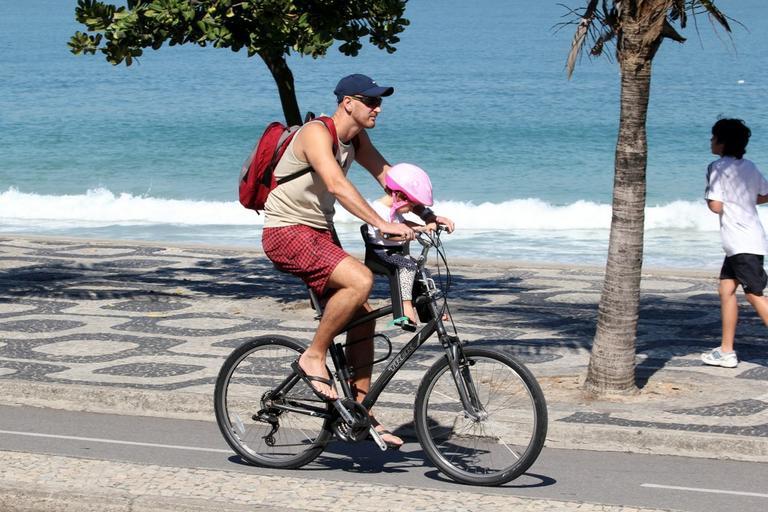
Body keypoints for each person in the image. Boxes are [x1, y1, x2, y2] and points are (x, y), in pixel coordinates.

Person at [261, 74, 455, 447]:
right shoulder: (316, 133)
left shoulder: (356, 138)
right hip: (286, 230)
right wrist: (381, 222)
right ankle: (313, 357)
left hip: (318, 232)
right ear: (348, 102)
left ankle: (361, 412)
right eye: (370, 101)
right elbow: (337, 184)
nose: (377, 108)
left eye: (378, 101)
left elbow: (389, 178)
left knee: (363, 316)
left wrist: (426, 215)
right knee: (360, 279)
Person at [703, 118, 768, 368]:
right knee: (726, 290)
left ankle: (727, 351)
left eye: (713, 137)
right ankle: (726, 351)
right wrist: (744, 202)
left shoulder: (717, 167)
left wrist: (711, 200)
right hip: (744, 240)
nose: (711, 141)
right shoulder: (749, 166)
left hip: (741, 242)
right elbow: (764, 194)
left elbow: (716, 205)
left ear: (722, 142)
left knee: (755, 295)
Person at [366, 163, 438, 326]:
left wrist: (423, 227)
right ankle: (405, 308)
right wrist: (402, 234)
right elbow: (385, 234)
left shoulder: (395, 211)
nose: (412, 208)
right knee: (407, 266)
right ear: (399, 196)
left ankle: (428, 312)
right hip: (380, 253)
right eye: (411, 205)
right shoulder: (378, 209)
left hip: (395, 252)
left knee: (422, 269)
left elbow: (405, 223)